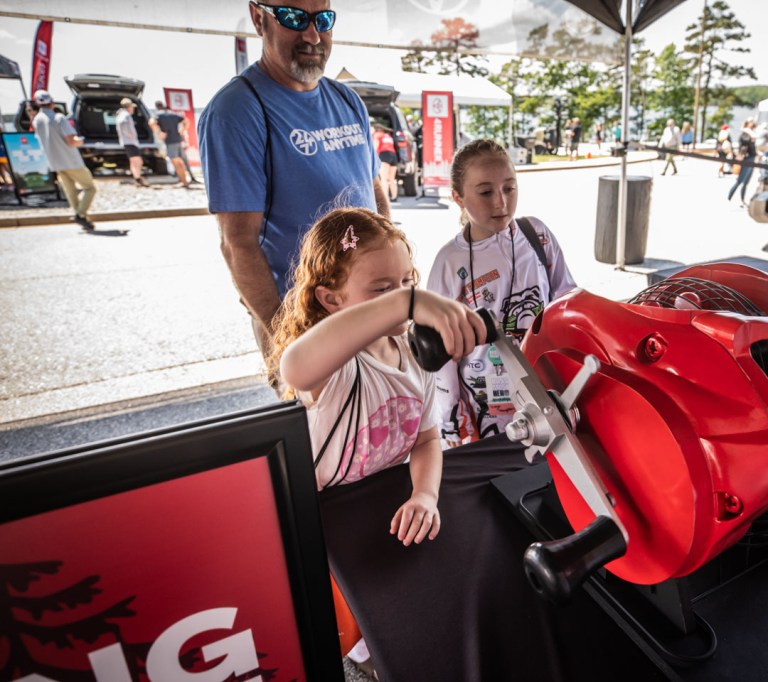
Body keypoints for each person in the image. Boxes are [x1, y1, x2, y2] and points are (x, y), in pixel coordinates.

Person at [271, 206, 486, 677]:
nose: (403, 296)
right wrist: (405, 302)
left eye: (407, 281)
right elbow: (295, 367)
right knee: (349, 622)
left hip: (383, 505)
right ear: (330, 299)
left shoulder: (412, 354)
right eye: (382, 289)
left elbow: (427, 439)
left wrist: (425, 494)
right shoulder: (334, 367)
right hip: (327, 520)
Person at [199, 0, 388, 368]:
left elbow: (374, 192)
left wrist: (392, 279)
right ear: (259, 18)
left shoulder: (347, 100)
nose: (312, 35)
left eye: (323, 19)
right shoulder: (236, 110)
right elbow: (238, 244)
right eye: (293, 18)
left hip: (370, 311)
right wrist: (288, 342)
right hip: (305, 320)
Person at [426, 139, 576, 446]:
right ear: (458, 197)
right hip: (484, 416)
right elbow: (442, 353)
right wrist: (452, 421)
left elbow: (567, 302)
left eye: (509, 188)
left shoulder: (537, 235)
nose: (501, 202)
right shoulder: (449, 262)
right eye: (485, 192)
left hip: (548, 398)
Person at [31, 89, 97, 231]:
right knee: (90, 188)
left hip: (55, 162)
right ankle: (80, 214)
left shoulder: (37, 120)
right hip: (71, 160)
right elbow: (72, 141)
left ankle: (82, 217)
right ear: (52, 103)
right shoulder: (59, 118)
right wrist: (82, 140)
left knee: (70, 191)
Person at [148, 101, 190, 187]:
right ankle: (183, 181)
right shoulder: (173, 114)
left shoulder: (158, 115)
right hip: (178, 140)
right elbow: (187, 121)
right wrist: (183, 130)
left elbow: (151, 122)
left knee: (176, 162)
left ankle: (184, 182)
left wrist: (159, 133)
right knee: (179, 161)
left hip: (170, 142)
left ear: (157, 107)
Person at [116, 98, 148, 187]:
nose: (133, 109)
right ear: (129, 107)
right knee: (138, 161)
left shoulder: (122, 114)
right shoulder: (125, 115)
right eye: (132, 107)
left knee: (134, 161)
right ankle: (138, 179)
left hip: (129, 142)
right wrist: (129, 133)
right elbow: (123, 123)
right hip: (130, 142)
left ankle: (138, 178)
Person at [727, 118, 758, 207]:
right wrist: (746, 130)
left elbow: (753, 145)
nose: (752, 126)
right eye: (750, 124)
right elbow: (753, 138)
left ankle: (742, 200)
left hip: (751, 159)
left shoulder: (749, 134)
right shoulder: (744, 135)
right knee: (739, 181)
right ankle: (728, 198)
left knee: (746, 182)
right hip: (746, 160)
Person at [373, 123, 399, 202]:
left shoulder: (377, 135)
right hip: (393, 156)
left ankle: (385, 198)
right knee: (391, 179)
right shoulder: (387, 135)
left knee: (384, 179)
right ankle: (394, 197)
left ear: (375, 129)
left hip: (384, 155)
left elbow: (375, 147)